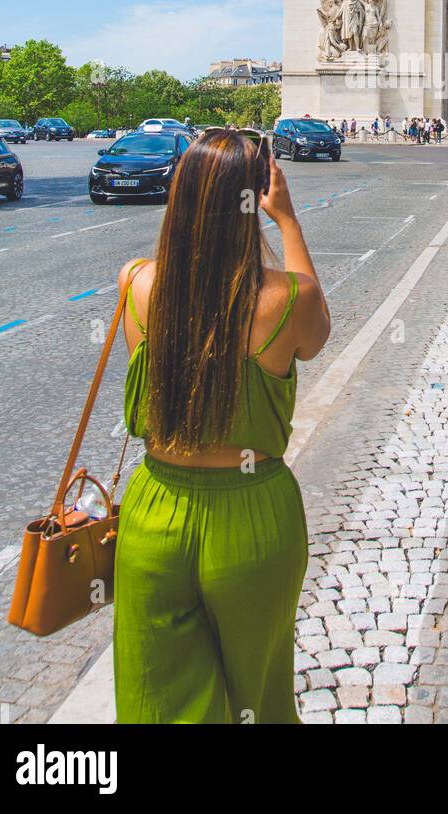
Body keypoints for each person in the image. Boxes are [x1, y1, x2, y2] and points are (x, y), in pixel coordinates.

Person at [113, 131, 331, 724]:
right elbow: (316, 336)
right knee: (257, 697)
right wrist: (287, 221)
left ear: (178, 194)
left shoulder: (134, 283)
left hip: (155, 512)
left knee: (155, 701)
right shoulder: (289, 300)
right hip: (255, 518)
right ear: (258, 194)